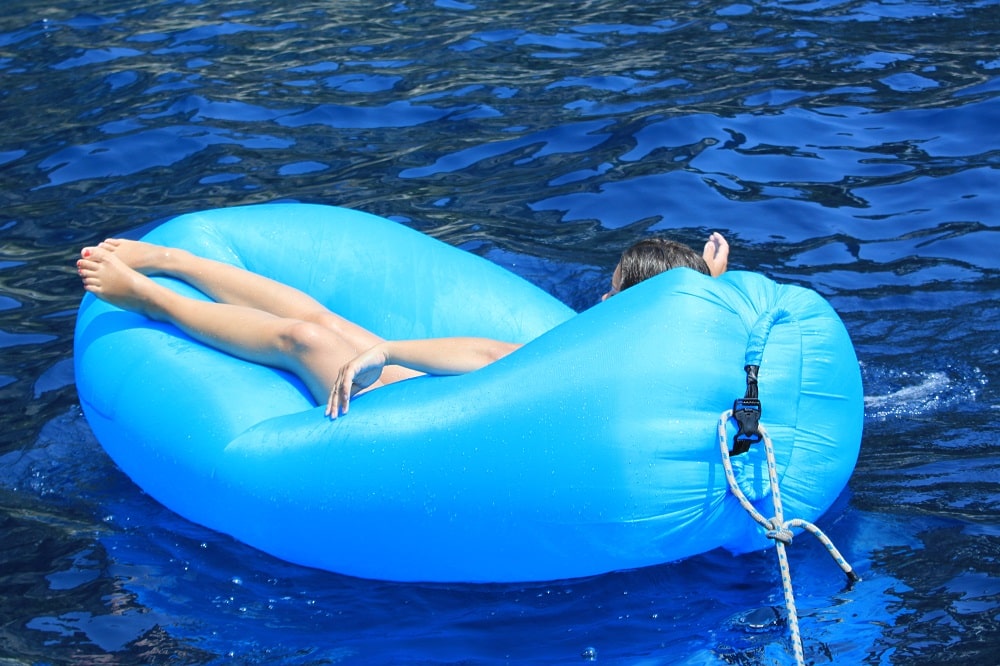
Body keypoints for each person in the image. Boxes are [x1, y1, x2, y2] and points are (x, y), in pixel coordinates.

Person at [76, 230, 728, 419]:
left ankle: (150, 297)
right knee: (325, 320)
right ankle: (175, 260)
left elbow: (491, 359)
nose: (604, 303)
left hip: (435, 418)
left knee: (304, 338)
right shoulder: (666, 342)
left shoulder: (613, 359)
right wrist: (711, 278)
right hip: (455, 402)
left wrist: (385, 348)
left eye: (614, 292)